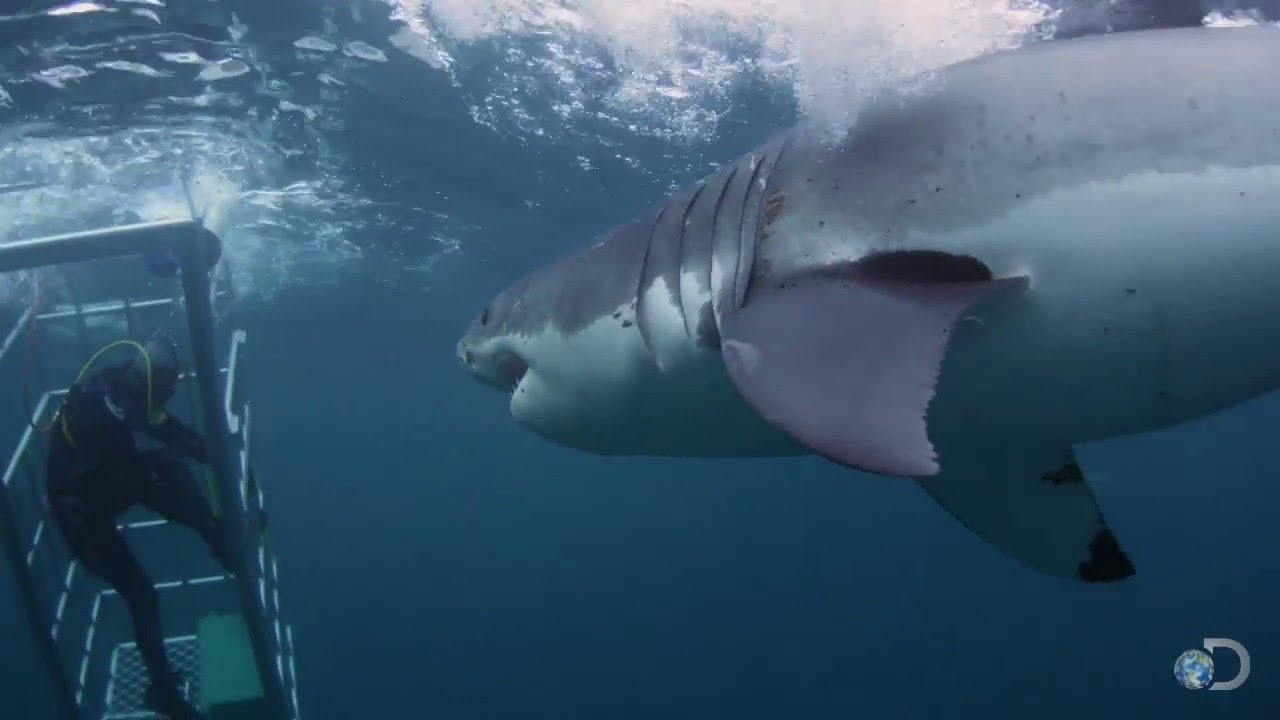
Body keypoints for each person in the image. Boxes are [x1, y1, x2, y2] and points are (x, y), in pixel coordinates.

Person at [44, 337, 230, 720]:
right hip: (79, 515)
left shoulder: (126, 387)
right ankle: (162, 690)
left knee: (163, 466)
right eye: (166, 389)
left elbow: (168, 430)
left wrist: (220, 459)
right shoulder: (106, 411)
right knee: (141, 594)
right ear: (150, 382)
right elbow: (140, 467)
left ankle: (217, 535)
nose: (168, 396)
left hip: (100, 486)